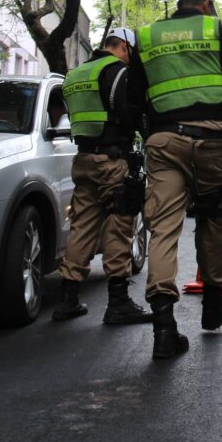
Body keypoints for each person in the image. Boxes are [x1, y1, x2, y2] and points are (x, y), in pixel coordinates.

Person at [129, 0, 222, 359]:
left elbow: (135, 95)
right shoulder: (220, 31)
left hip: (163, 140)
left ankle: (164, 327)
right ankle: (214, 304)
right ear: (207, 4)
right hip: (209, 138)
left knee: (163, 228)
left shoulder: (146, 36)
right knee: (211, 217)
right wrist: (214, 98)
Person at [53, 27, 153, 325]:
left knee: (82, 227)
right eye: (132, 51)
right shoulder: (117, 71)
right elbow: (127, 113)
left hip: (83, 159)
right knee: (120, 226)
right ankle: (118, 302)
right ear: (123, 46)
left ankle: (68, 299)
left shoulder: (76, 74)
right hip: (111, 160)